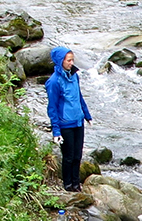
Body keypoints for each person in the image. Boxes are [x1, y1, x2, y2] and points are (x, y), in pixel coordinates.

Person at [46, 46, 93, 192]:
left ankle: (76, 183)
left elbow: (79, 97)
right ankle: (67, 184)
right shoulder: (54, 82)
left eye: (72, 60)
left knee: (77, 155)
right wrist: (56, 131)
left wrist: (87, 115)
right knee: (68, 156)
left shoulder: (74, 76)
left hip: (78, 121)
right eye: (68, 60)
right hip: (65, 124)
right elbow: (52, 108)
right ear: (60, 61)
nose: (71, 63)